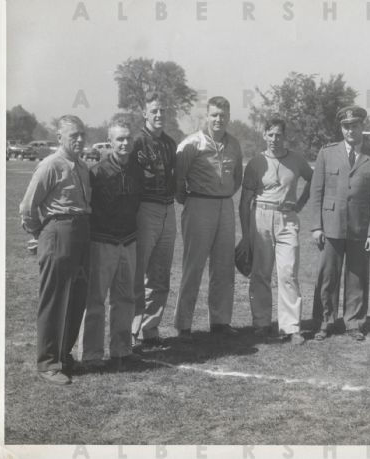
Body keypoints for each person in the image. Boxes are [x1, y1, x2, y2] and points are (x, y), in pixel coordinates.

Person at [19, 115, 91, 385]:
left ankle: (64, 353)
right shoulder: (51, 165)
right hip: (58, 231)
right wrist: (40, 233)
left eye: (82, 134)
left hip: (82, 232)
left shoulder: (82, 166)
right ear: (59, 137)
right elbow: (27, 207)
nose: (80, 139)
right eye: (73, 135)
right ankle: (48, 362)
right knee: (54, 298)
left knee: (77, 297)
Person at [310, 105, 370, 341]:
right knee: (327, 276)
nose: (350, 130)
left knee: (357, 276)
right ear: (341, 128)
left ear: (363, 126)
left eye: (355, 125)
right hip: (330, 224)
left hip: (360, 227)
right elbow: (317, 191)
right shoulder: (327, 153)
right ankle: (324, 321)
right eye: (346, 126)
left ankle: (354, 322)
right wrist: (316, 226)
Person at [238, 118, 313, 344]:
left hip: (287, 219)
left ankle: (291, 327)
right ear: (264, 135)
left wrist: (300, 204)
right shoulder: (256, 162)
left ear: (285, 136)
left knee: (288, 272)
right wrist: (246, 234)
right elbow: (244, 201)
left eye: (278, 135)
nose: (274, 139)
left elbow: (314, 180)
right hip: (260, 216)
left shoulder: (297, 160)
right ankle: (261, 323)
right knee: (261, 272)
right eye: (270, 135)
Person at [174, 96, 243, 339]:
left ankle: (220, 322)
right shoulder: (191, 143)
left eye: (223, 115)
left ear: (229, 117)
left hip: (225, 205)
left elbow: (238, 179)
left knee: (224, 266)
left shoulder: (234, 144)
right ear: (206, 116)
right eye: (214, 115)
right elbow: (178, 181)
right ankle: (184, 325)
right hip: (199, 204)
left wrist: (222, 196)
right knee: (194, 266)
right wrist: (195, 200)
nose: (218, 119)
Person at [80, 119, 144, 369]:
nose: (125, 143)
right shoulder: (96, 172)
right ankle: (92, 355)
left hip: (128, 242)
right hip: (102, 242)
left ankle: (121, 350)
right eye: (119, 139)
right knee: (95, 300)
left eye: (128, 138)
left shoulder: (138, 170)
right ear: (110, 141)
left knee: (125, 298)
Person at [131, 91, 178, 349]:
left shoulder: (170, 144)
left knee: (160, 274)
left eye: (163, 110)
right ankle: (130, 330)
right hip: (145, 209)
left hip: (168, 209)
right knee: (138, 273)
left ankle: (151, 329)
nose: (159, 115)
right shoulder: (137, 142)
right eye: (154, 110)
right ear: (145, 113)